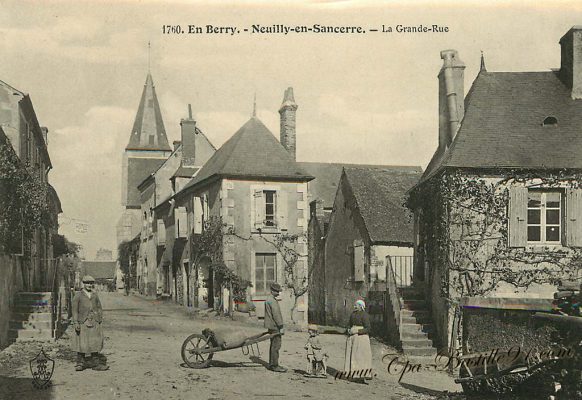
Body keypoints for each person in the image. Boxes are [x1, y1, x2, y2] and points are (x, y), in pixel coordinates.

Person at [71, 275, 109, 371]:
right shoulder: (78, 295)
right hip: (82, 321)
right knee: (82, 342)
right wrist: (76, 322)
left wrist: (99, 318)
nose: (89, 285)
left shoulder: (94, 295)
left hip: (94, 321)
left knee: (95, 341)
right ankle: (80, 363)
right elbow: (74, 310)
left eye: (91, 283)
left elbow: (99, 307)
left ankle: (95, 363)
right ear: (83, 284)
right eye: (87, 283)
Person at [343, 299, 372, 382]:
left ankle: (361, 375)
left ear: (361, 306)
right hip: (352, 337)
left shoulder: (364, 315)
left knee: (360, 356)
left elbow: (368, 328)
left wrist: (358, 331)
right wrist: (348, 329)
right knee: (352, 355)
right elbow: (349, 324)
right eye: (355, 305)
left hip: (361, 338)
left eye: (357, 305)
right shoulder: (353, 314)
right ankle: (351, 374)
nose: (355, 306)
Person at [264, 282, 286, 372]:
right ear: (272, 291)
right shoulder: (272, 301)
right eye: (277, 291)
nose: (278, 293)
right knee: (276, 345)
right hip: (275, 326)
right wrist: (281, 326)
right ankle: (274, 365)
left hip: (270, 325)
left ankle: (271, 364)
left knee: (273, 345)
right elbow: (276, 315)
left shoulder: (268, 299)